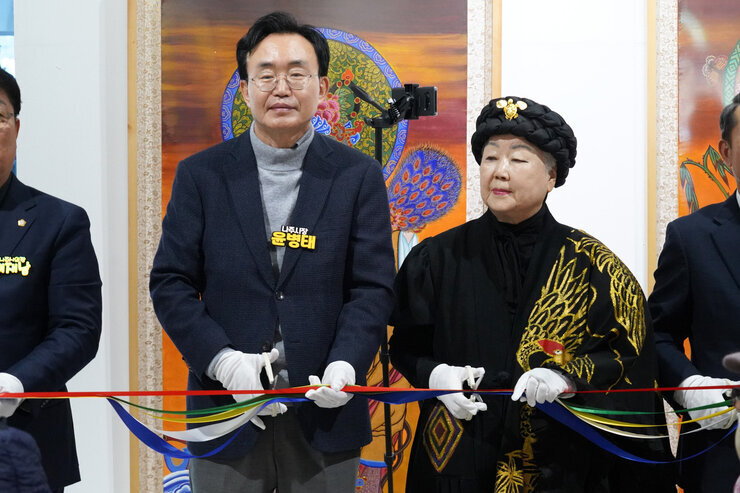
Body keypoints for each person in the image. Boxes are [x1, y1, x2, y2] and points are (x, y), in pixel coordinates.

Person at [149, 11, 395, 493]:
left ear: (323, 88)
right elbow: (170, 283)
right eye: (266, 75)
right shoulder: (202, 175)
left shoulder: (357, 175)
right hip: (226, 412)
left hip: (325, 414)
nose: (281, 88)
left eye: (297, 74)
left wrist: (346, 364)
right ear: (245, 89)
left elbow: (372, 287)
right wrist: (221, 361)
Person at [389, 97, 674, 492]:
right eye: (490, 158)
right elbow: (405, 346)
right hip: (458, 455)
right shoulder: (436, 258)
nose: (500, 171)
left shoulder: (594, 267)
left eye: (518, 159)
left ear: (551, 175)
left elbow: (629, 358)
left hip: (560, 463)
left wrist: (568, 378)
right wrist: (437, 375)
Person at [0, 67, 102, 492]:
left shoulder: (59, 222)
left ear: (16, 128)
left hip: (24, 439)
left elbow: (78, 329)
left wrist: (16, 382)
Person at [649, 92, 740, 492]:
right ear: (727, 152)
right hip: (722, 453)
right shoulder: (691, 238)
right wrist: (690, 388)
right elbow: (656, 335)